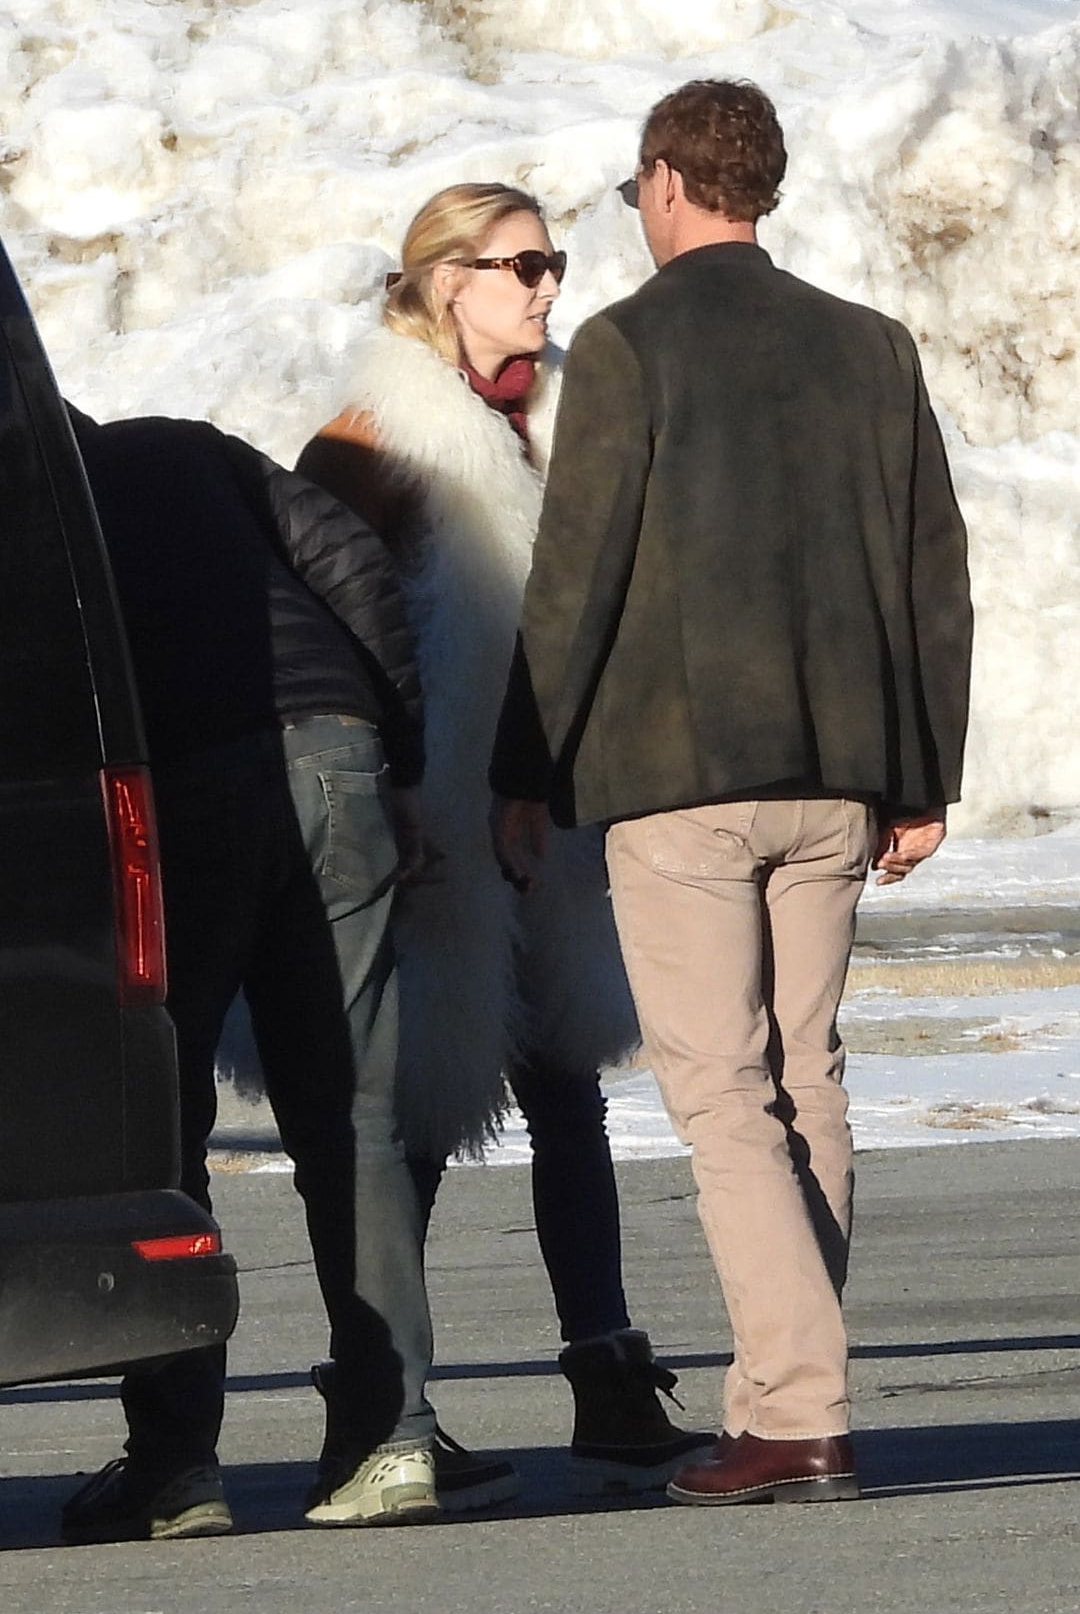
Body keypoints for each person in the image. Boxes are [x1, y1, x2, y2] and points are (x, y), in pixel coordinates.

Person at [490, 80, 973, 1508]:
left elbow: (576, 577)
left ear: (665, 183)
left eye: (637, 191)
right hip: (840, 777)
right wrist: (923, 772)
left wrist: (524, 767)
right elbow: (931, 570)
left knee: (719, 1095)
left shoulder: (633, 348)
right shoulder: (873, 348)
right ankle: (780, 1392)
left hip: (680, 778)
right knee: (804, 1076)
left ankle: (800, 1411)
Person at [296, 182, 713, 1505]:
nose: (544, 286)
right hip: (422, 836)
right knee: (412, 1110)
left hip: (528, 831)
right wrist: (393, 799)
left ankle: (605, 1369)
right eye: (518, 264)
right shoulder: (371, 446)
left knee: (566, 1089)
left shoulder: (507, 435)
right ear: (439, 283)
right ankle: (377, 1406)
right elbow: (318, 641)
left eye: (553, 262)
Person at [62, 410, 440, 1541]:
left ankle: (178, 1467)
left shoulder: (40, 508)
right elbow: (353, 560)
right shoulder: (185, 447)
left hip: (181, 786)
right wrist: (399, 758)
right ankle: (391, 1443)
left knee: (168, 1131)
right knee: (355, 1121)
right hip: (337, 750)